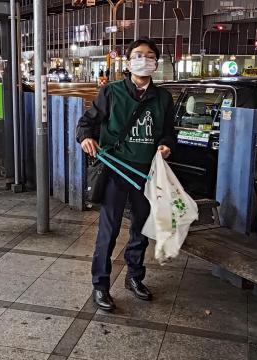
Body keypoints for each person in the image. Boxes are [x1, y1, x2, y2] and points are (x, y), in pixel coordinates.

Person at [76, 38, 175, 311]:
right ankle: (100, 285)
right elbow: (86, 123)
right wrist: (86, 138)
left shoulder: (163, 98)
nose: (144, 59)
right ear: (129, 61)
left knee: (141, 230)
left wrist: (166, 145)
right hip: (115, 171)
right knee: (108, 231)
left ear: (156, 62)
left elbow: (168, 131)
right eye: (138, 55)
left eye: (150, 55)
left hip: (147, 174)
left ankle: (134, 277)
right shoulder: (111, 92)